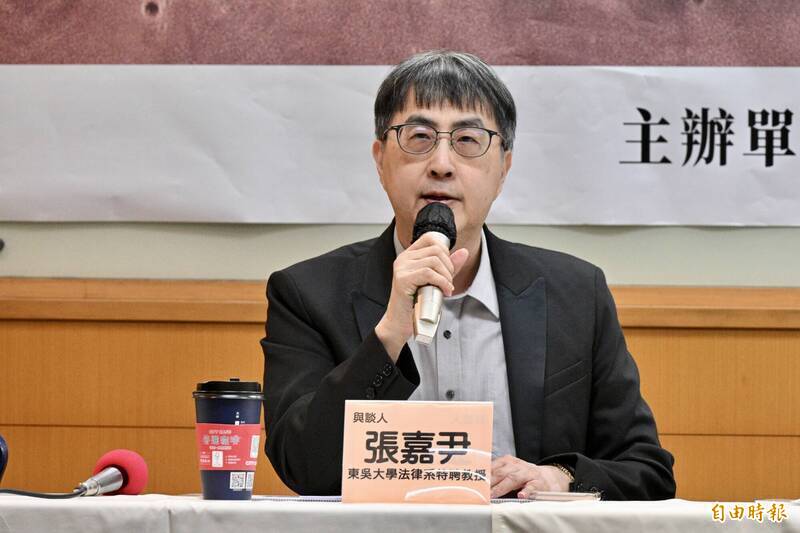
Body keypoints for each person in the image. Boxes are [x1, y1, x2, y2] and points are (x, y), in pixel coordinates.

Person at [261, 50, 676, 500]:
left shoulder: (575, 295)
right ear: (380, 160)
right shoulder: (306, 294)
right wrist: (390, 335)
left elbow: (647, 471)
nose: (441, 163)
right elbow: (303, 467)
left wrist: (560, 477)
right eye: (419, 137)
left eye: (467, 140)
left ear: (504, 168)